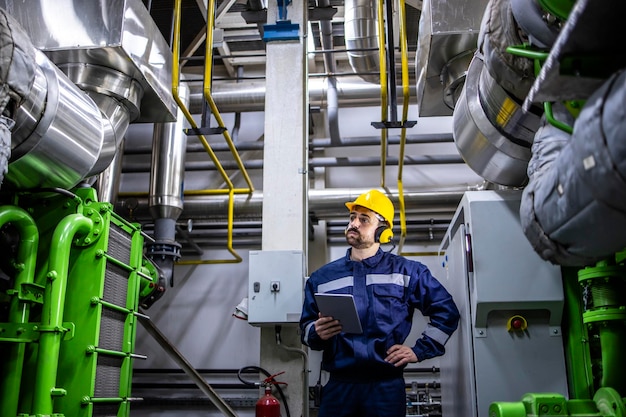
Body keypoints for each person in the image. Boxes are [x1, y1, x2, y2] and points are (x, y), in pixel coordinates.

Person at [299, 189, 460, 417]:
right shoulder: (322, 278)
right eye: (352, 217)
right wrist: (315, 332)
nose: (354, 224)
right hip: (338, 388)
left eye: (364, 219)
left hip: (385, 388)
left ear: (382, 231)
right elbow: (304, 329)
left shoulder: (408, 273)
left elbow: (447, 312)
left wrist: (419, 351)